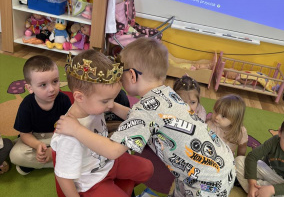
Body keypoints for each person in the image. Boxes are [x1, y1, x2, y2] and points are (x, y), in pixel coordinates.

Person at [55, 38, 236, 197]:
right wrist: (114, 105)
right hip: (219, 163)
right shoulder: (166, 93)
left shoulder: (145, 112)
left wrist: (76, 129)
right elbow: (142, 120)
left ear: (132, 75)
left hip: (206, 181)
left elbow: (112, 150)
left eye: (121, 73)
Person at [51, 50, 154, 196]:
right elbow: (63, 177)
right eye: (106, 101)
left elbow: (131, 115)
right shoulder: (68, 136)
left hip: (109, 162)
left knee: (147, 169)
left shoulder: (92, 106)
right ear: (79, 97)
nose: (111, 105)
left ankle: (116, 186)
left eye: (113, 98)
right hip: (91, 183)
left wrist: (111, 104)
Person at [9, 55, 71, 175]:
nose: (52, 89)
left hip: (58, 137)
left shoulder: (63, 100)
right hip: (36, 138)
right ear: (30, 88)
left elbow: (71, 128)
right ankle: (60, 161)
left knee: (79, 142)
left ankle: (41, 161)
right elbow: (25, 134)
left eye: (55, 81)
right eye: (43, 85)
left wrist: (53, 148)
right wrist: (38, 145)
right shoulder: (26, 105)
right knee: (15, 155)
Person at [235, 111, 284, 197]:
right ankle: (257, 190)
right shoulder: (274, 141)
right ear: (280, 132)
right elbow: (252, 157)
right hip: (266, 170)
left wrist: (272, 189)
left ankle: (260, 190)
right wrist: (252, 184)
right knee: (238, 161)